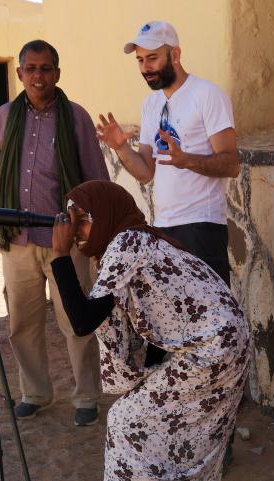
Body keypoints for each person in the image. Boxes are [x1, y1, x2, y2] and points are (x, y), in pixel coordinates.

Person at [48, 180, 254, 481]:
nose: (76, 230)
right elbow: (160, 318)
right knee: (184, 446)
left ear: (107, 215)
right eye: (71, 220)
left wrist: (60, 256)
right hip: (221, 346)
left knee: (128, 421)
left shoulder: (127, 243)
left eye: (82, 219)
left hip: (211, 351)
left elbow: (82, 320)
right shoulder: (135, 244)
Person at [0, 39, 109, 426]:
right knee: (23, 322)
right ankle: (35, 393)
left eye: (45, 68)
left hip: (64, 239)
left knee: (75, 320)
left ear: (57, 74)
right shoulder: (6, 116)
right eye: (30, 69)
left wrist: (90, 233)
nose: (38, 76)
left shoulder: (76, 118)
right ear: (19, 74)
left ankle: (85, 396)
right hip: (16, 239)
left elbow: (96, 177)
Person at [95, 21, 239, 284]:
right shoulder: (151, 103)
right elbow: (146, 172)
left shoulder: (207, 95)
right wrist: (120, 147)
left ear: (175, 54)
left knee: (210, 316)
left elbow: (231, 164)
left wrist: (186, 160)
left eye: (152, 58)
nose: (145, 68)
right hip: (163, 226)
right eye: (140, 60)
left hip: (202, 225)